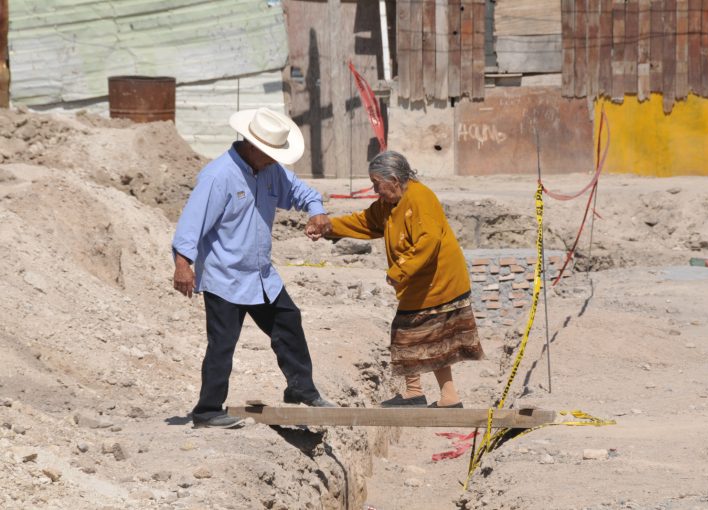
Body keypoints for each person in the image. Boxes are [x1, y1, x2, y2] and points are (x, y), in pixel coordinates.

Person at [172, 107, 335, 429]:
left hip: (260, 275)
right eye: (272, 154)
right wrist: (183, 265)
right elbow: (191, 224)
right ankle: (207, 411)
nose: (277, 160)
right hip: (225, 276)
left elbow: (300, 191)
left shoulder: (271, 170)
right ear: (252, 146)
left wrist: (317, 211)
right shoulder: (218, 176)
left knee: (288, 320)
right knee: (223, 343)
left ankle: (301, 388)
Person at [308, 151, 484, 408]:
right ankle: (446, 397)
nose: (375, 189)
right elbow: (365, 223)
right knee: (431, 337)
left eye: (376, 183)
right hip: (422, 282)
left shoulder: (420, 198)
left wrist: (398, 271)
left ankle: (418, 394)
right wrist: (328, 227)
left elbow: (429, 240)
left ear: (393, 179)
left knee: (410, 333)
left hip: (439, 280)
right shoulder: (389, 205)